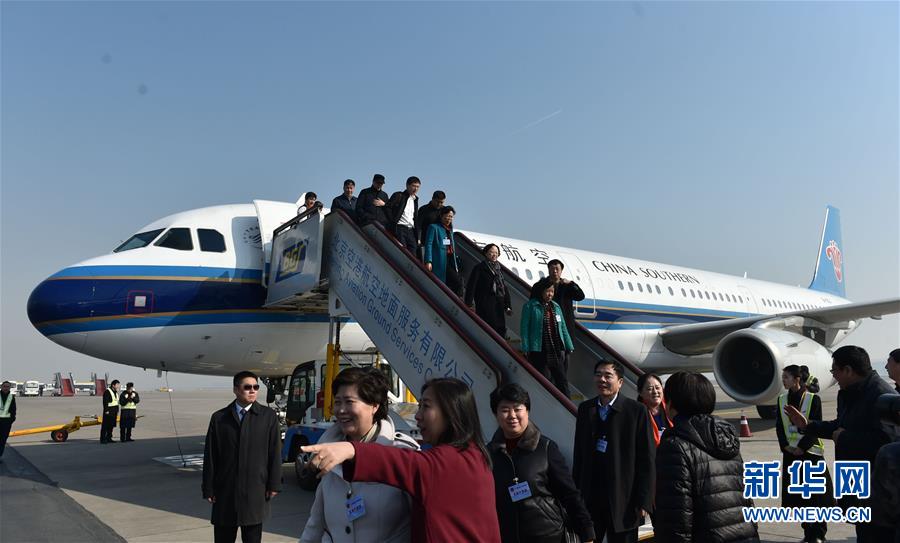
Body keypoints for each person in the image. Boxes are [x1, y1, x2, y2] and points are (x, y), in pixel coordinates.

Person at [301, 378, 501, 542]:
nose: (418, 416)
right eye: (338, 401)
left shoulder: (443, 462)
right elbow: (316, 523)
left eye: (426, 407)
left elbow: (401, 462)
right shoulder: (473, 455)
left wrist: (351, 449)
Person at [786, 345, 897, 542]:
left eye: (834, 370)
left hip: (877, 490)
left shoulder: (880, 396)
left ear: (848, 370)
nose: (834, 376)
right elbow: (840, 426)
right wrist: (808, 425)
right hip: (857, 482)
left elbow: (889, 443)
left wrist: (844, 438)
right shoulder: (850, 392)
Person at [300, 367, 419, 543]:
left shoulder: (402, 452)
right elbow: (316, 523)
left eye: (349, 402)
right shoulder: (328, 452)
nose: (341, 410)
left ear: (374, 406)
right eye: (338, 402)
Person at [653, 371, 759, 543]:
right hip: (744, 535)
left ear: (671, 403)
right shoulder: (726, 437)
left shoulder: (675, 445)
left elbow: (675, 516)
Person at [488, 383, 595, 543]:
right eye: (504, 410)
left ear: (527, 411)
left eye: (517, 409)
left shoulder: (545, 448)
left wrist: (587, 533)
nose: (512, 415)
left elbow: (570, 494)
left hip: (549, 536)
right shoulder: (488, 454)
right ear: (495, 414)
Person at [573, 361, 654, 543]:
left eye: (608, 375)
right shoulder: (586, 409)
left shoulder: (636, 411)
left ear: (620, 382)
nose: (602, 379)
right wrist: (576, 495)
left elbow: (647, 458)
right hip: (591, 497)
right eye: (598, 375)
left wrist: (644, 499)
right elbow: (579, 455)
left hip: (624, 499)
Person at [202, 371, 281, 543]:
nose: (252, 390)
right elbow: (211, 455)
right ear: (236, 390)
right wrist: (208, 487)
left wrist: (274, 484)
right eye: (247, 387)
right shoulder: (219, 418)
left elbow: (274, 452)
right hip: (226, 492)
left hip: (255, 491)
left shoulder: (268, 417)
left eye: (256, 387)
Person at [776, 365, 833, 543]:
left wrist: (802, 447)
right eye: (783, 377)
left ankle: (818, 534)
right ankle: (808, 532)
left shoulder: (812, 399)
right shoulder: (782, 400)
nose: (783, 380)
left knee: (816, 496)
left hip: (810, 453)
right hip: (791, 454)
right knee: (799, 495)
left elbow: (816, 426)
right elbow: (780, 427)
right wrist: (785, 446)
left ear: (797, 379)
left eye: (786, 377)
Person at [521, 278, 573, 396]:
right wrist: (525, 347)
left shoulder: (556, 307)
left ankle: (567, 403)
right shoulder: (530, 306)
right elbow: (524, 328)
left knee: (562, 380)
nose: (550, 294)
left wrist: (569, 345)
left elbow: (563, 328)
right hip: (539, 349)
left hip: (555, 349)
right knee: (544, 380)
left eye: (552, 291)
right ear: (541, 291)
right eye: (547, 291)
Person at [465, 243, 512, 338]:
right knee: (489, 328)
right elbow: (471, 286)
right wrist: (468, 303)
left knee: (500, 328)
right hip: (485, 303)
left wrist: (508, 305)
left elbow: (504, 287)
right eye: (491, 252)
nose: (494, 255)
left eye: (496, 253)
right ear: (486, 253)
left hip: (498, 303)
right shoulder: (479, 268)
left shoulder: (499, 269)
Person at [531, 259, 585, 334]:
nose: (555, 271)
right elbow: (532, 302)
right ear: (548, 270)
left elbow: (580, 296)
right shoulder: (540, 286)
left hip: (564, 326)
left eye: (557, 269)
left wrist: (571, 283)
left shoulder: (567, 286)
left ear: (561, 271)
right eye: (552, 269)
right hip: (546, 325)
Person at [423, 206, 463, 295]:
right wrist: (428, 261)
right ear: (441, 215)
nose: (449, 219)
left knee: (456, 282)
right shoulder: (434, 227)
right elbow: (428, 244)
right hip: (440, 259)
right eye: (447, 216)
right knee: (455, 282)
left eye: (451, 217)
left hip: (451, 260)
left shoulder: (450, 230)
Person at [636, 373, 672, 447]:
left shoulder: (672, 408)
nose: (655, 392)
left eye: (657, 388)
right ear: (640, 393)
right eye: (649, 389)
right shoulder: (636, 414)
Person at [387, 176, 421, 254]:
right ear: (407, 185)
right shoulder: (398, 195)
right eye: (413, 186)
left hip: (411, 230)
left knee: (413, 252)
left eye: (418, 187)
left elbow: (415, 218)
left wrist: (418, 236)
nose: (416, 189)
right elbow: (387, 208)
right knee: (402, 251)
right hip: (400, 228)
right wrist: (392, 221)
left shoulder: (415, 200)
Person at [0, 381, 17, 460]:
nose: (6, 388)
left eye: (7, 387)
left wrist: (11, 420)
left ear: (9, 388)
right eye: (4, 386)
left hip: (6, 423)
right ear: (1, 387)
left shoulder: (11, 397)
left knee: (3, 440)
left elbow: (13, 410)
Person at [100, 380, 120, 444]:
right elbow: (105, 402)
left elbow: (116, 402)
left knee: (111, 425)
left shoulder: (115, 392)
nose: (118, 386)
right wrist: (106, 410)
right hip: (108, 411)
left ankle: (109, 438)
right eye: (117, 385)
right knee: (105, 426)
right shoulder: (107, 392)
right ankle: (103, 439)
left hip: (114, 411)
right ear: (113, 385)